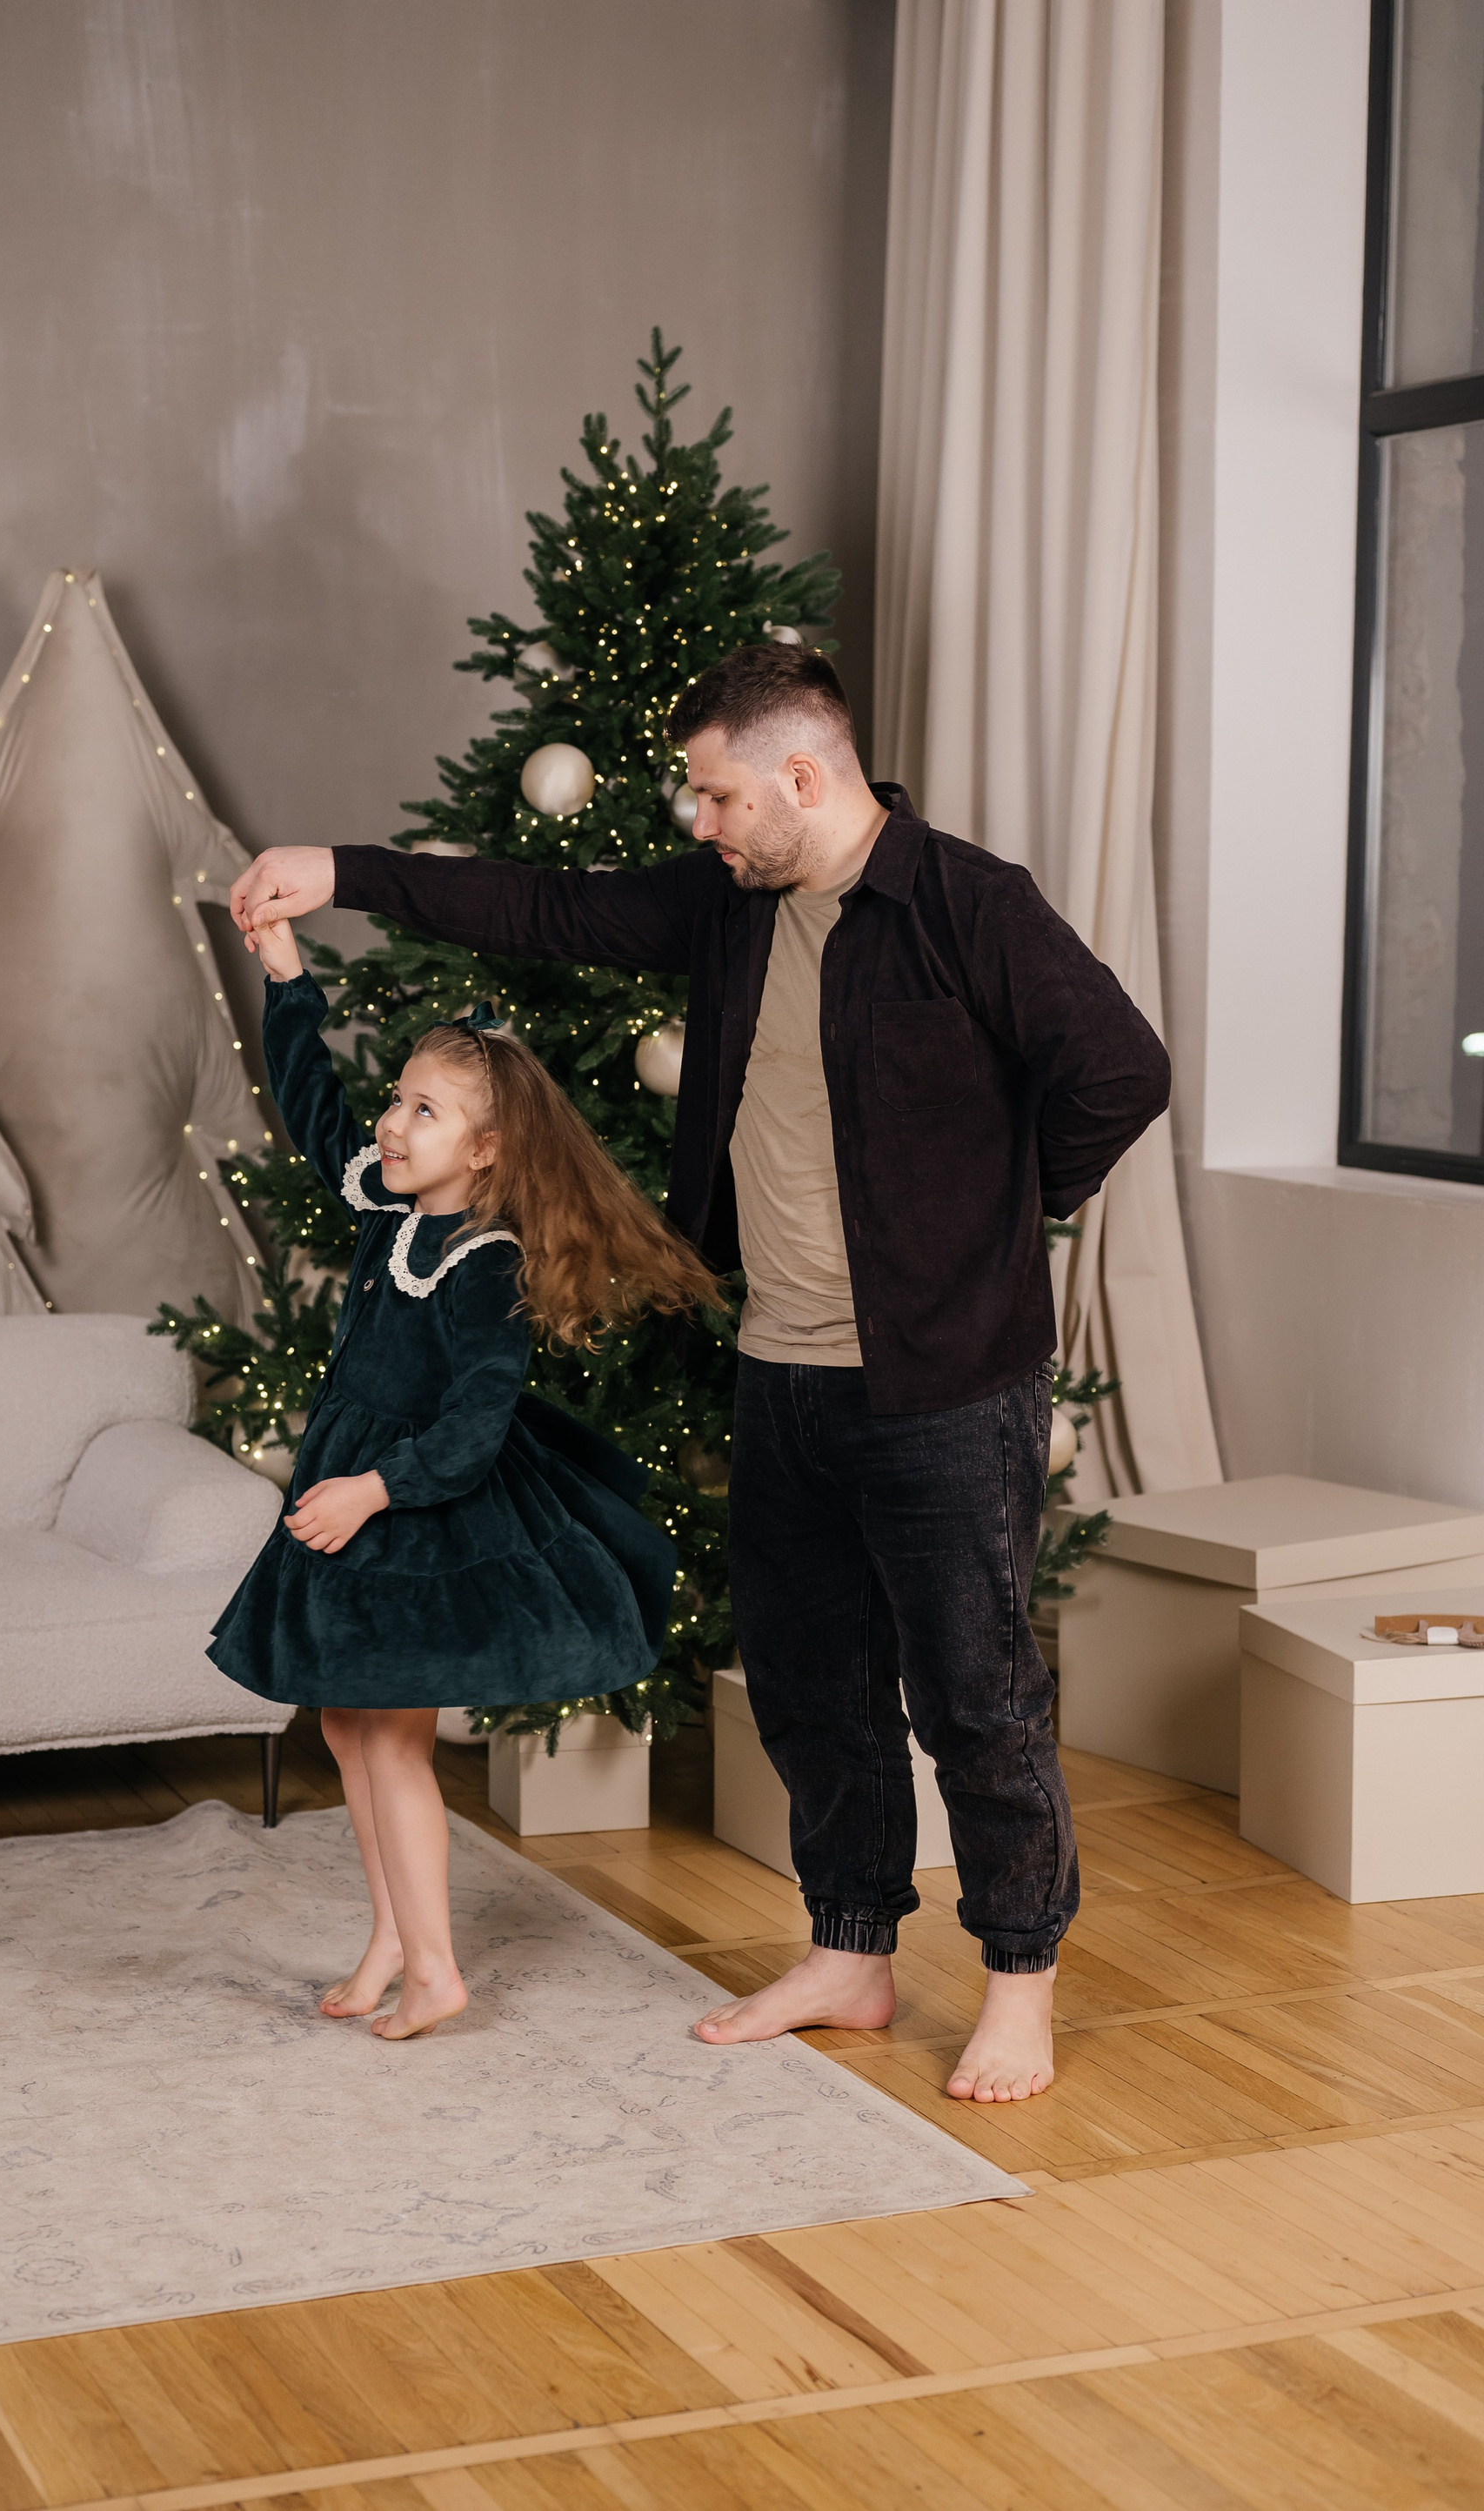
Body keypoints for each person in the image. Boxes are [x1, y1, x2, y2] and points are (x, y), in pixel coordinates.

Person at [230, 643, 1169, 2099]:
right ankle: (851, 1951)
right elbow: (546, 907)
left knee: (974, 1693)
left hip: (946, 1384)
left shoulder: (968, 906)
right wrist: (340, 871)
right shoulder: (732, 908)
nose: (702, 820)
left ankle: (1018, 1978)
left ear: (802, 776)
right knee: (808, 1679)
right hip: (781, 1367)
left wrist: (994, 1210)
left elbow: (1123, 1070)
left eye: (719, 795)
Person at [218, 909, 719, 2039]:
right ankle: (393, 1935)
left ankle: (438, 1968)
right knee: (346, 1726)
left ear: (485, 1150)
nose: (392, 1123)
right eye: (398, 1100)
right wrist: (288, 979)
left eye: (424, 1111)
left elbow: (476, 1426)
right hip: (356, 1485)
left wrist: (373, 1490)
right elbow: (314, 1110)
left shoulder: (484, 1264)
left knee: (393, 1738)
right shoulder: (391, 1202)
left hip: (417, 1509)